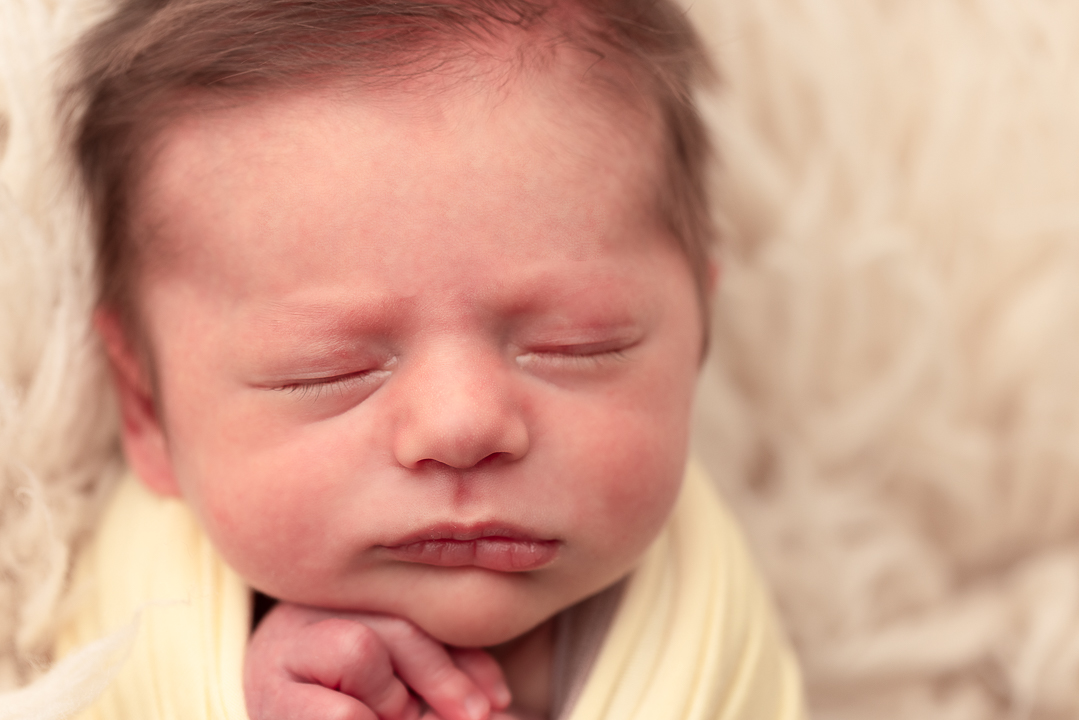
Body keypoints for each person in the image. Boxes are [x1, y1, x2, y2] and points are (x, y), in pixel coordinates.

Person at [55, 1, 805, 718]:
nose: (463, 424)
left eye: (575, 347)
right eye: (327, 369)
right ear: (146, 406)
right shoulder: (138, 603)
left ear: (697, 335)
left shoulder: (708, 618)